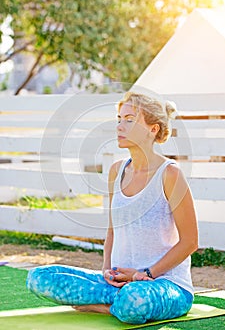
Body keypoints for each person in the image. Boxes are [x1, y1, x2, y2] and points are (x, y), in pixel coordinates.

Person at [26, 91, 198, 325]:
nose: (119, 126)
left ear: (153, 129)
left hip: (163, 285)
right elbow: (112, 231)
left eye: (129, 119)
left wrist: (143, 275)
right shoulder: (117, 171)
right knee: (39, 277)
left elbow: (190, 242)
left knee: (134, 301)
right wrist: (107, 271)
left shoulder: (170, 174)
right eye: (119, 119)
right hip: (119, 283)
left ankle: (103, 307)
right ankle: (114, 299)